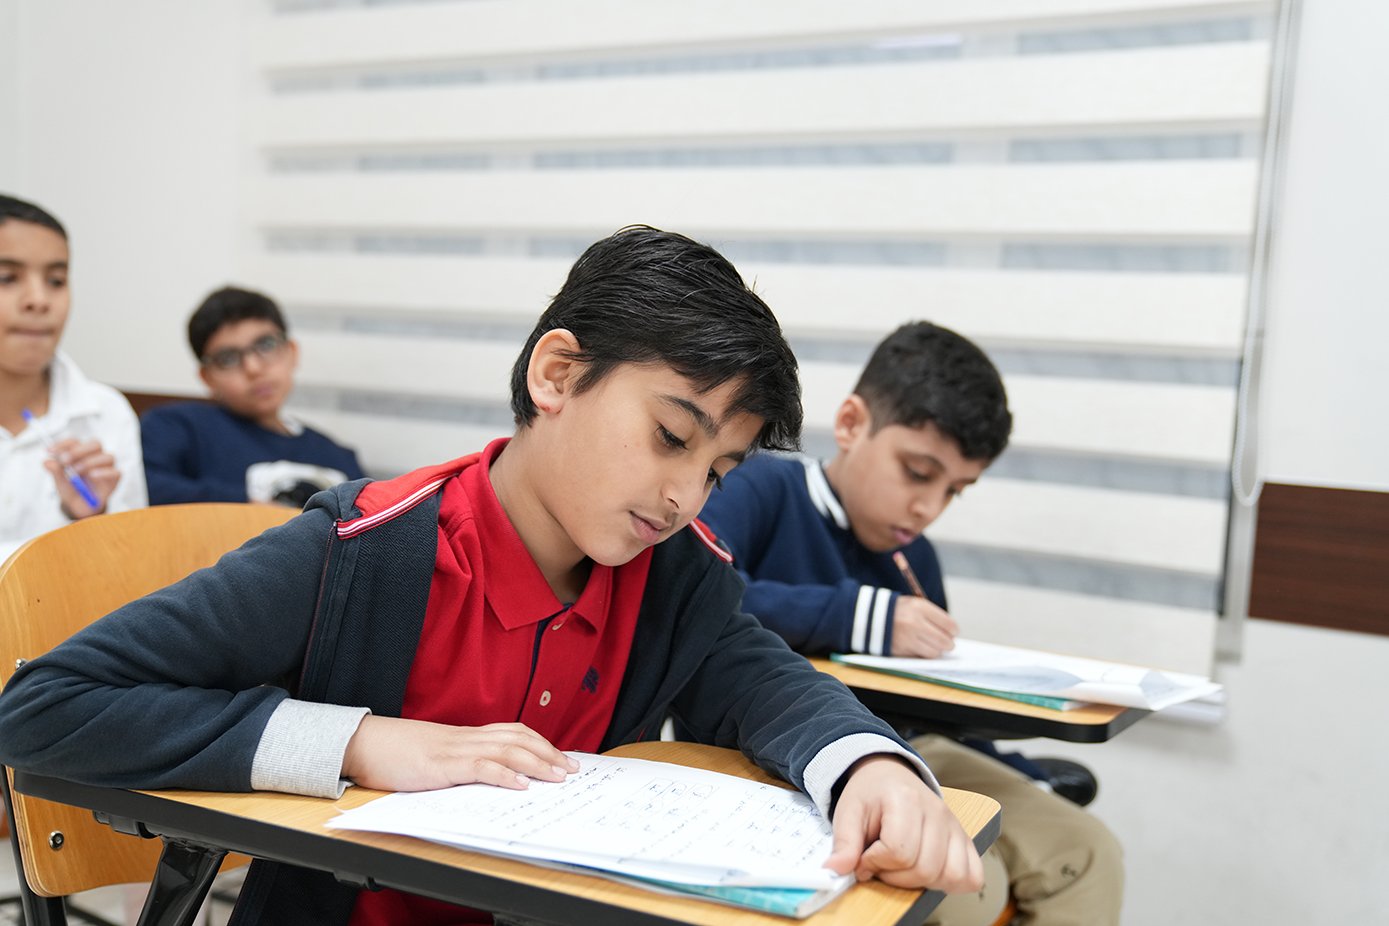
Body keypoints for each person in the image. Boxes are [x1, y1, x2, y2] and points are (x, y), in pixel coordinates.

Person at [0, 228, 984, 925]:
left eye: (717, 470)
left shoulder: (672, 574)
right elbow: (44, 705)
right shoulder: (364, 547)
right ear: (556, 374)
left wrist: (873, 764)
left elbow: (770, 686)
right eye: (669, 435)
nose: (686, 495)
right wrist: (361, 741)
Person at [698, 320, 1124, 925]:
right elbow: (703, 601)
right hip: (779, 756)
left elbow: (939, 702)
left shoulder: (914, 557)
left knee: (1090, 852)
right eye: (918, 473)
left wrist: (1027, 776)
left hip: (916, 749)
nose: (928, 508)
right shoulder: (761, 485)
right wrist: (861, 615)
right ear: (851, 424)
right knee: (970, 890)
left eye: (955, 491)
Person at [0, 194, 147, 563]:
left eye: (56, 280)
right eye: (7, 278)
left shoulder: (107, 413)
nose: (39, 300)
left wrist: (88, 518)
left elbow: (130, 566)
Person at [140, 285, 364, 507]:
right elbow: (141, 486)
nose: (253, 368)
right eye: (228, 358)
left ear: (292, 352)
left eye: (266, 345)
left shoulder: (338, 457)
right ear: (207, 378)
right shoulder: (178, 428)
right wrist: (246, 506)